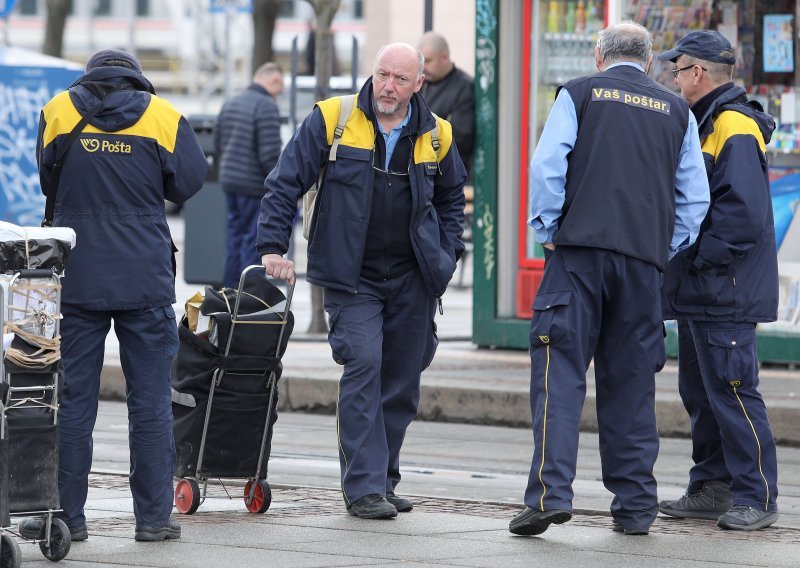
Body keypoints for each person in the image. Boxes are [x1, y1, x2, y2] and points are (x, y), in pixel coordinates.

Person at [508, 22, 710, 537]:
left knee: (559, 373)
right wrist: (661, 247)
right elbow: (694, 201)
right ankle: (636, 506)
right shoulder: (677, 111)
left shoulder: (578, 93)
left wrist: (548, 229)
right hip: (642, 267)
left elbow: (548, 166)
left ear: (599, 55)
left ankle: (551, 495)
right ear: (649, 62)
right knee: (632, 383)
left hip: (577, 256)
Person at [257, 43, 467, 519]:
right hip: (353, 276)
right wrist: (272, 247)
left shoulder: (438, 134)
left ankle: (384, 479)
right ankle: (363, 487)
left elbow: (452, 198)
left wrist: (447, 253)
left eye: (399, 78)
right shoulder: (333, 118)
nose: (387, 86)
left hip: (414, 275)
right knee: (364, 364)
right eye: (381, 75)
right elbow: (285, 181)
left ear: (419, 85)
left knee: (402, 380)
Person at [20, 49, 207, 542]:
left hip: (77, 273)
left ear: (90, 75)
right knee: (150, 402)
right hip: (144, 278)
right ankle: (152, 519)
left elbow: (46, 177)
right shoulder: (163, 116)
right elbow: (188, 183)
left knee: (74, 400)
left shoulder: (59, 110)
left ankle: (67, 516)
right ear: (137, 78)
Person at [656, 31, 780, 532]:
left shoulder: (730, 123)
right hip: (703, 289)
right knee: (702, 393)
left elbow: (742, 215)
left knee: (731, 390)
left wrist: (700, 260)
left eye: (677, 69)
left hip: (721, 287)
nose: (673, 78)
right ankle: (712, 486)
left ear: (698, 73)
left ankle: (758, 495)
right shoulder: (706, 119)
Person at [215, 62, 284, 288]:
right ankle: (248, 299)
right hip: (254, 186)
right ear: (273, 80)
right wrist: (279, 185)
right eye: (280, 88)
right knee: (253, 243)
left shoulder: (232, 101)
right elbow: (269, 154)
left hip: (230, 182)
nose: (279, 94)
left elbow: (218, 143)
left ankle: (229, 293)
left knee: (234, 239)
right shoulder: (265, 105)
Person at [418, 31, 474, 175]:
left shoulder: (464, 87)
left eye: (428, 61)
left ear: (445, 57)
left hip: (449, 173)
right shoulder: (420, 84)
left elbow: (459, 138)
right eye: (422, 63)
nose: (424, 67)